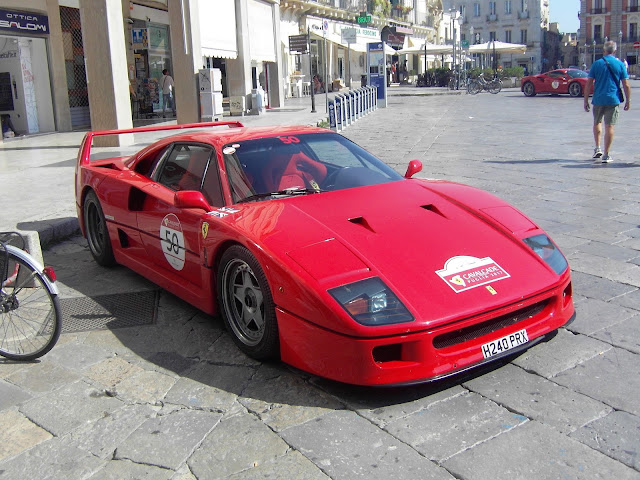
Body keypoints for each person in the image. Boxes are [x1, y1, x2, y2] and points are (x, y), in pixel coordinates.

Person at [583, 41, 631, 163]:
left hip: (598, 99)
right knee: (610, 125)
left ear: (604, 51)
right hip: (613, 99)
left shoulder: (596, 64)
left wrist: (585, 100)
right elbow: (626, 84)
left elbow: (589, 83)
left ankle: (597, 147)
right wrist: (628, 101)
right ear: (614, 51)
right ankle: (606, 154)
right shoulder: (620, 64)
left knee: (597, 122)